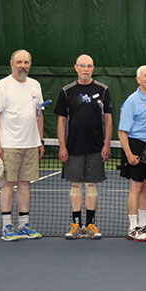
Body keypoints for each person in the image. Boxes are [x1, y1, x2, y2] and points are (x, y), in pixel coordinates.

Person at [55, 54, 112, 240]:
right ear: (76, 68)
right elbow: (62, 121)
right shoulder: (66, 91)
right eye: (82, 66)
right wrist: (62, 146)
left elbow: (108, 119)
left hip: (96, 148)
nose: (86, 69)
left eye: (89, 66)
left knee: (91, 185)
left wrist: (107, 144)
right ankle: (76, 225)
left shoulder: (103, 90)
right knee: (75, 185)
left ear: (93, 68)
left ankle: (90, 225)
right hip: (73, 148)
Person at [0, 49, 45, 241]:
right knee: (7, 184)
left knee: (25, 184)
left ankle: (23, 224)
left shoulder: (35, 85)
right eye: (19, 62)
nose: (23, 66)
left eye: (26, 62)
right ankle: (7, 226)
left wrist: (40, 140)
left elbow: (39, 114)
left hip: (31, 144)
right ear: (12, 64)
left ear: (30, 64)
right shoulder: (2, 86)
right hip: (9, 145)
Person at [118, 65, 146, 241]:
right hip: (135, 145)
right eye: (145, 76)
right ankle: (133, 227)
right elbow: (122, 131)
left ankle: (143, 226)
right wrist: (129, 153)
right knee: (136, 187)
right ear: (138, 79)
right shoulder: (132, 101)